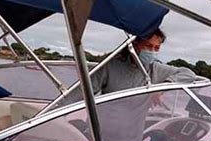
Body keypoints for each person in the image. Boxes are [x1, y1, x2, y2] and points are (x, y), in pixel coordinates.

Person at [60, 28, 197, 105]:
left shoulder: (156, 69)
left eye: (157, 48)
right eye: (148, 46)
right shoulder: (110, 66)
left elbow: (188, 73)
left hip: (133, 135)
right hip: (105, 128)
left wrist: (161, 88)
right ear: (135, 44)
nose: (152, 51)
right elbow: (82, 93)